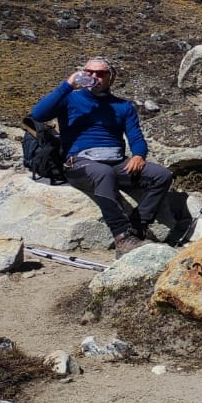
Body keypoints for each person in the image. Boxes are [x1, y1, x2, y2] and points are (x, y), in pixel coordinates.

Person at [30, 57, 173, 257]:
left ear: (110, 78)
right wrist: (68, 85)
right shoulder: (70, 98)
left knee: (161, 175)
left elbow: (136, 138)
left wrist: (139, 155)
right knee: (103, 173)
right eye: (89, 72)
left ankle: (137, 228)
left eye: (100, 73)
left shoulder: (123, 106)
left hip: (117, 161)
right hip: (79, 163)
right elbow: (37, 114)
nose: (94, 77)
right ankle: (122, 238)